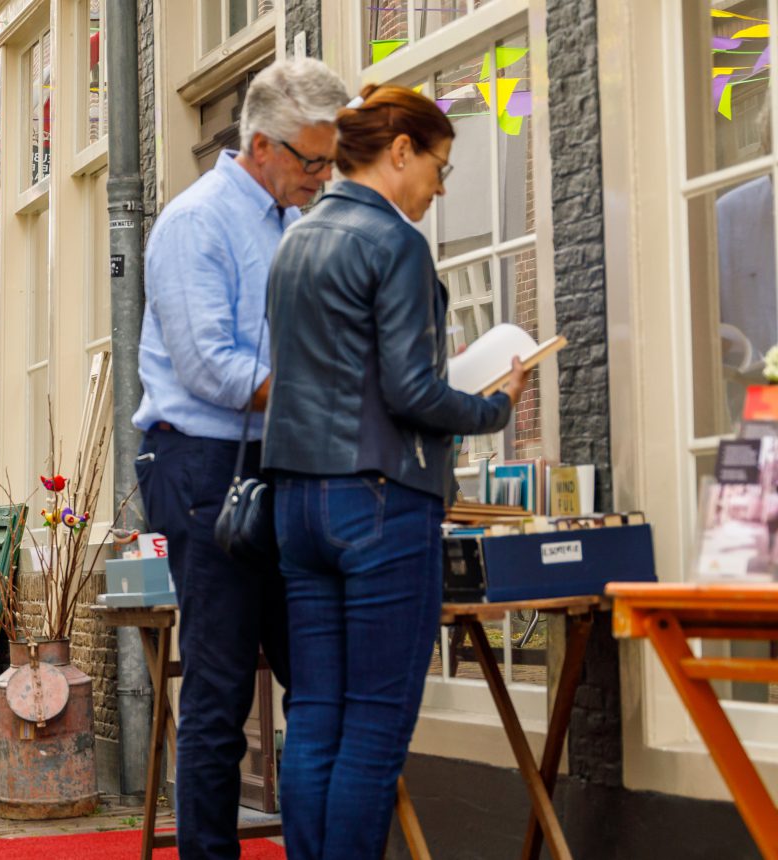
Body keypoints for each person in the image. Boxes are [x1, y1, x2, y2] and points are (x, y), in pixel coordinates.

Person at [261, 84, 527, 860]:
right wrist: (495, 405)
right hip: (379, 501)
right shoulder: (396, 245)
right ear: (401, 151)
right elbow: (411, 391)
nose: (440, 189)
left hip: (296, 503)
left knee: (315, 713)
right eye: (439, 167)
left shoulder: (295, 241)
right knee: (375, 725)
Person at [128, 58, 348, 860]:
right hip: (204, 466)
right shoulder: (197, 222)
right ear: (262, 146)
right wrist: (325, 392)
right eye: (313, 161)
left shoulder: (296, 223)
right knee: (219, 689)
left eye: (331, 162)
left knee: (316, 676)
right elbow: (208, 366)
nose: (324, 178)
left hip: (281, 460)